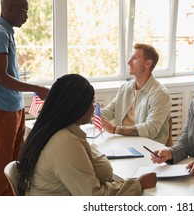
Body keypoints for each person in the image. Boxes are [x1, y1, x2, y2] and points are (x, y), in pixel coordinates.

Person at [17, 74, 157, 195]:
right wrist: (138, 184)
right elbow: (94, 197)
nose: (94, 107)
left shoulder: (49, 130)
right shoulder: (65, 143)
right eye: (91, 102)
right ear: (77, 107)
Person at [0, 0, 49, 195]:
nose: (26, 17)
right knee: (0, 165)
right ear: (8, 9)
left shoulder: (7, 32)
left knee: (13, 163)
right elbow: (1, 77)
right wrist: (36, 89)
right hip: (2, 108)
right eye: (23, 12)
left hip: (13, 107)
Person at [101, 43, 172, 145]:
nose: (129, 62)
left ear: (148, 63)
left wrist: (115, 129)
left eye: (134, 58)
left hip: (149, 148)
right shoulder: (125, 88)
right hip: (124, 143)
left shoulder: (160, 94)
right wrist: (90, 115)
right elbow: (109, 111)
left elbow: (150, 129)